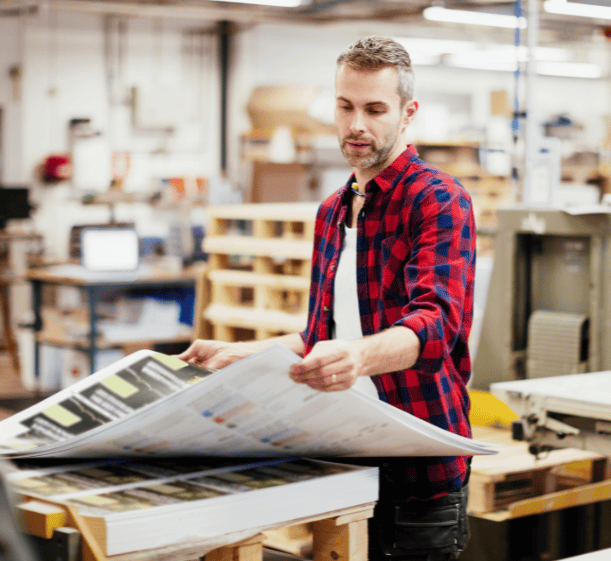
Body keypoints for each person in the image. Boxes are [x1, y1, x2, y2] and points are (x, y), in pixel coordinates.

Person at [179, 36, 476, 561]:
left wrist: (359, 356)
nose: (356, 124)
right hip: (344, 457)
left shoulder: (438, 199)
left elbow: (436, 326)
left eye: (374, 109)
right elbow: (323, 336)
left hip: (418, 466)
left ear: (407, 114)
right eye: (345, 106)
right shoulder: (332, 212)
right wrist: (238, 353)